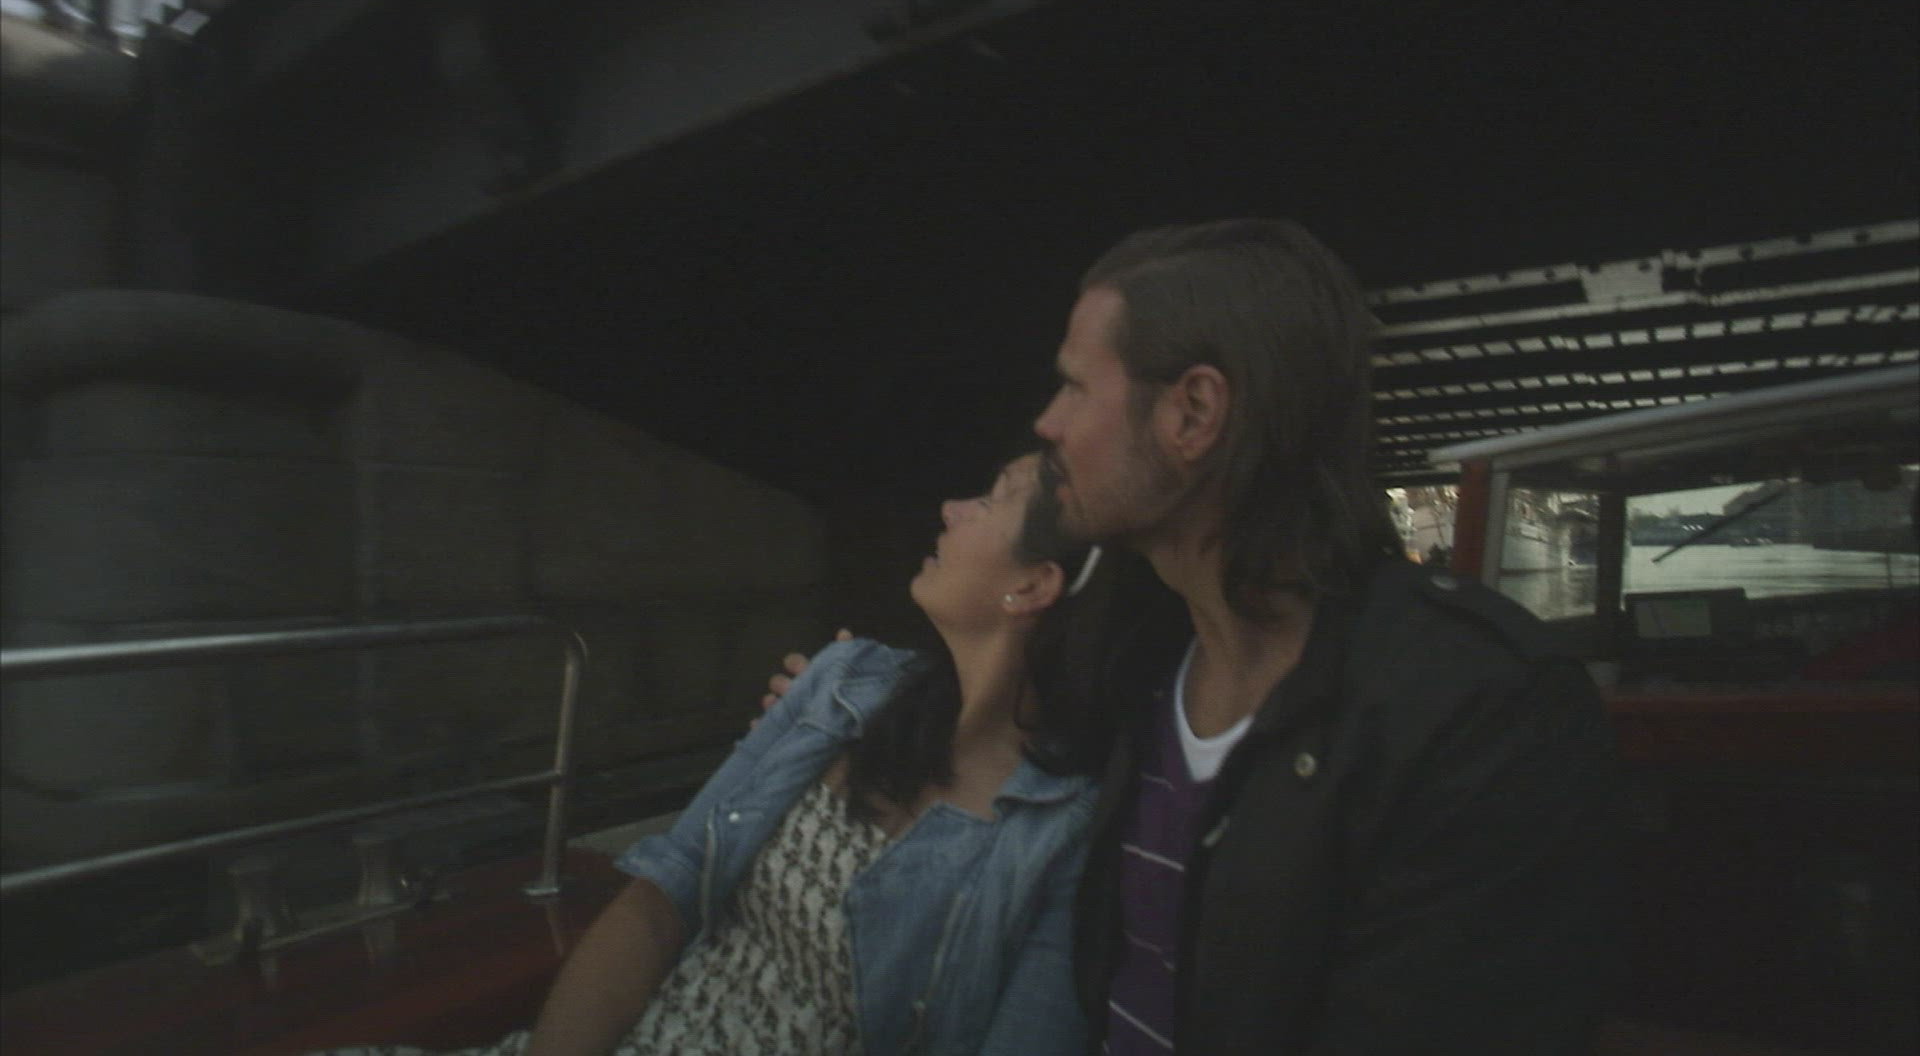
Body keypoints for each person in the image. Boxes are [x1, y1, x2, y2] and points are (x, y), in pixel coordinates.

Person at [777, 219, 1622, 1054]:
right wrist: (834, 715)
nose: (1048, 423)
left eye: (1074, 387)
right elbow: (989, 718)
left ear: (1193, 413)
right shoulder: (1134, 662)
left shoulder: (1481, 715)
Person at [325, 453, 1140, 1056]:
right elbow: (664, 894)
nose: (952, 507)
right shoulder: (846, 682)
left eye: (991, 500)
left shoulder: (1057, 836)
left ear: (1032, 586)